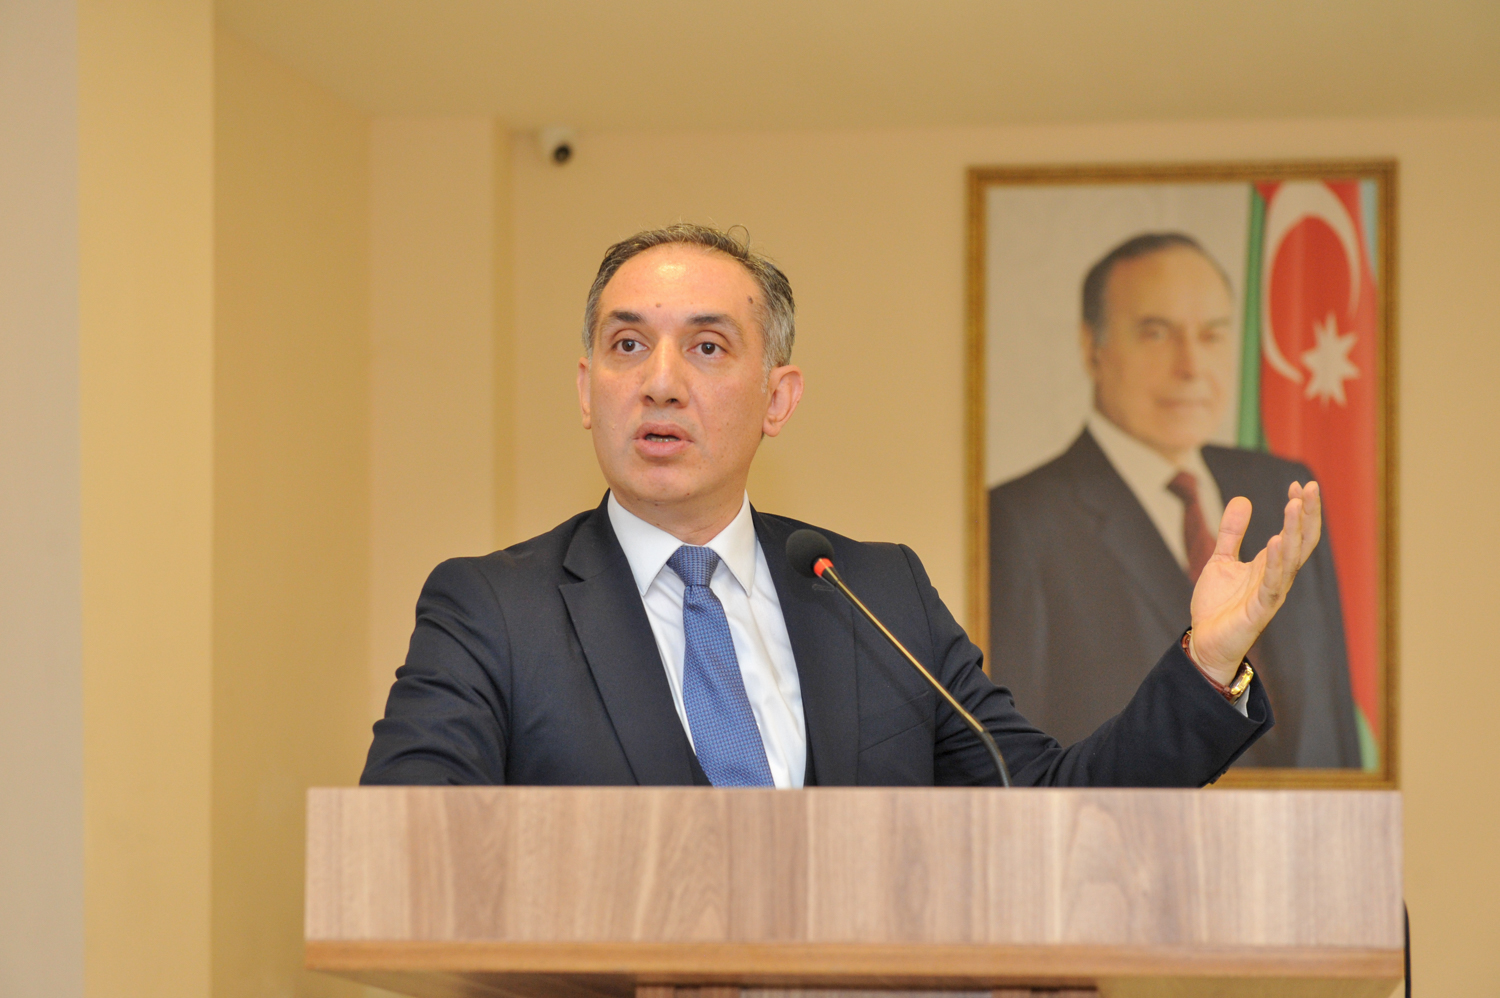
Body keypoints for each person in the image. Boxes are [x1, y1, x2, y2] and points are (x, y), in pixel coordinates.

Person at [362, 224, 1322, 789]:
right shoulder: (491, 610)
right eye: (627, 346)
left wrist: (1207, 663)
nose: (659, 382)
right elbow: (410, 850)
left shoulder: (873, 592)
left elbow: (1045, 801)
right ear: (587, 392)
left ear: (777, 399)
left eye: (707, 347)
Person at [987, 232, 1361, 769]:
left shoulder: (1284, 489)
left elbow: (1332, 719)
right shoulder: (1020, 520)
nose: (1190, 366)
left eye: (1212, 335)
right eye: (1156, 334)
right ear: (1092, 347)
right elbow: (1023, 763)